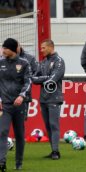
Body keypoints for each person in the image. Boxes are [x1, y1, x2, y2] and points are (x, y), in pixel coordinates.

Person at [0, 38, 32, 171]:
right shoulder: (0, 63)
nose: (2, 50)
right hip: (5, 105)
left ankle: (19, 163)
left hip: (19, 105)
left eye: (5, 48)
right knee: (2, 132)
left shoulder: (24, 63)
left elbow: (28, 81)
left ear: (11, 49)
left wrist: (21, 96)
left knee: (19, 135)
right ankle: (1, 162)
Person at [31, 39, 65, 160]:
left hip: (54, 98)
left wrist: (43, 78)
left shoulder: (59, 61)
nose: (41, 50)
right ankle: (53, 150)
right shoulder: (43, 62)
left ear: (51, 47)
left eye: (43, 48)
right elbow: (33, 78)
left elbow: (53, 79)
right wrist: (45, 78)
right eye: (41, 48)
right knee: (48, 126)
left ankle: (56, 151)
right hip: (43, 99)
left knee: (54, 125)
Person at [17, 45, 38, 121]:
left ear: (20, 46)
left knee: (21, 120)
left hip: (24, 96)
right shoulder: (4, 58)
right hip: (7, 97)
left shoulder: (30, 58)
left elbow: (37, 72)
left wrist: (28, 77)